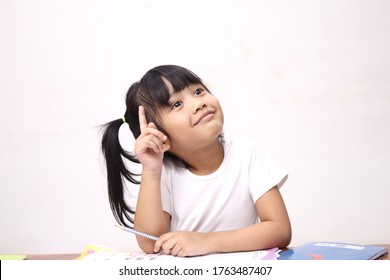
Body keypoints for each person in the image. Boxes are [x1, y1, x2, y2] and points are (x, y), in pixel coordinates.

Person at [101, 65, 291, 257]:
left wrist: (206, 242)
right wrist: (151, 171)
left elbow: (280, 230)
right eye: (176, 104)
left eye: (198, 91)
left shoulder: (248, 153)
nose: (198, 103)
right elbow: (151, 244)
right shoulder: (164, 173)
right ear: (157, 134)